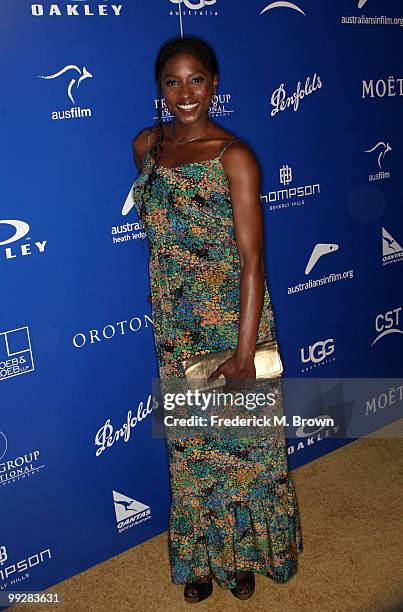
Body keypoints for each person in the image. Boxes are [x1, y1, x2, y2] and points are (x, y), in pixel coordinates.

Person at [131, 35, 303, 604]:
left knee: (245, 448)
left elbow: (254, 261)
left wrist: (246, 351)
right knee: (193, 453)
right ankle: (202, 563)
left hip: (235, 323)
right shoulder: (145, 149)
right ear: (161, 89)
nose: (185, 93)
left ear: (215, 85)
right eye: (173, 82)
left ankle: (245, 557)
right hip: (176, 329)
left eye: (196, 80)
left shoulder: (235, 155)